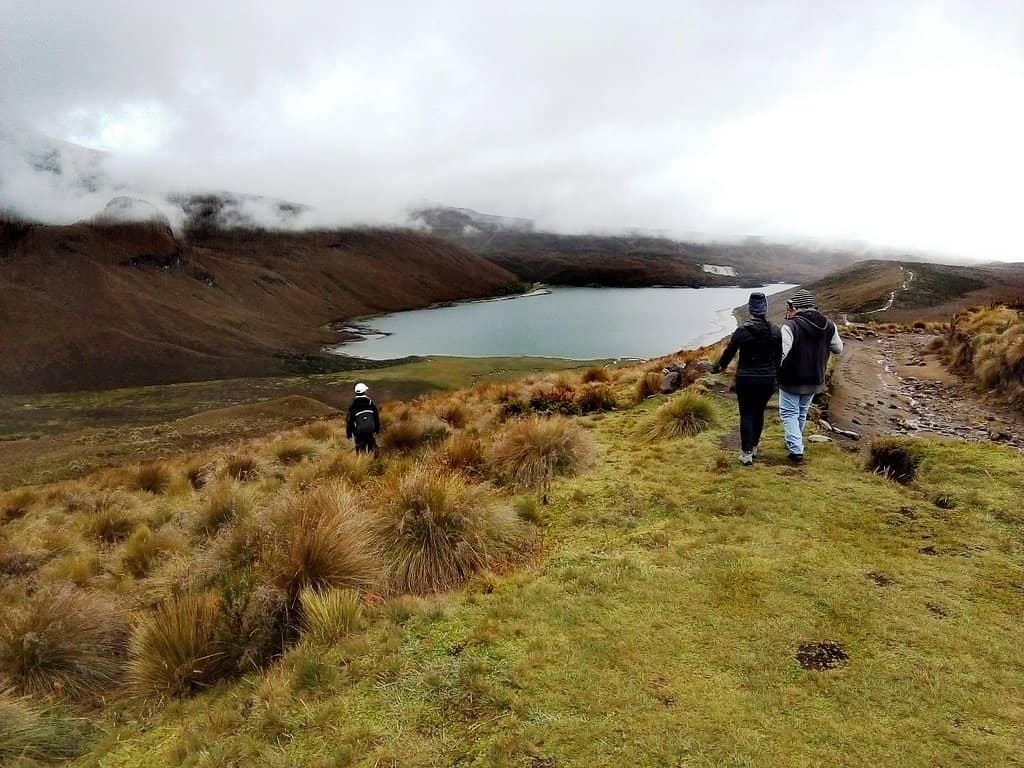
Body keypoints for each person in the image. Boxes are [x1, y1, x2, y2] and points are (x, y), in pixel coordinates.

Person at [713, 292, 781, 465]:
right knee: (759, 412)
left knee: (747, 413)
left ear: (751, 309)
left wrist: (720, 366)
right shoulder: (775, 331)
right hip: (767, 378)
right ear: (765, 309)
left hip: (746, 378)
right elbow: (778, 356)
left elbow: (729, 352)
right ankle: (755, 447)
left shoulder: (742, 331)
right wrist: (775, 374)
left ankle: (746, 453)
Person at [777, 288, 843, 462]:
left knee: (789, 413)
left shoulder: (790, 326)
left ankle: (796, 448)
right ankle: (795, 441)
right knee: (800, 412)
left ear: (795, 307)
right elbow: (838, 348)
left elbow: (780, 353)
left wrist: (771, 371)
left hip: (791, 378)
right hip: (815, 377)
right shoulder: (829, 325)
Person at [346, 382, 380, 454]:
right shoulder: (370, 403)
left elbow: (350, 421)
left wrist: (349, 433)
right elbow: (376, 417)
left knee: (361, 450)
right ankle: (374, 462)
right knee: (372, 449)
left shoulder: (353, 406)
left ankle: (361, 463)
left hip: (359, 432)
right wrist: (377, 429)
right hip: (371, 430)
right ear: (365, 391)